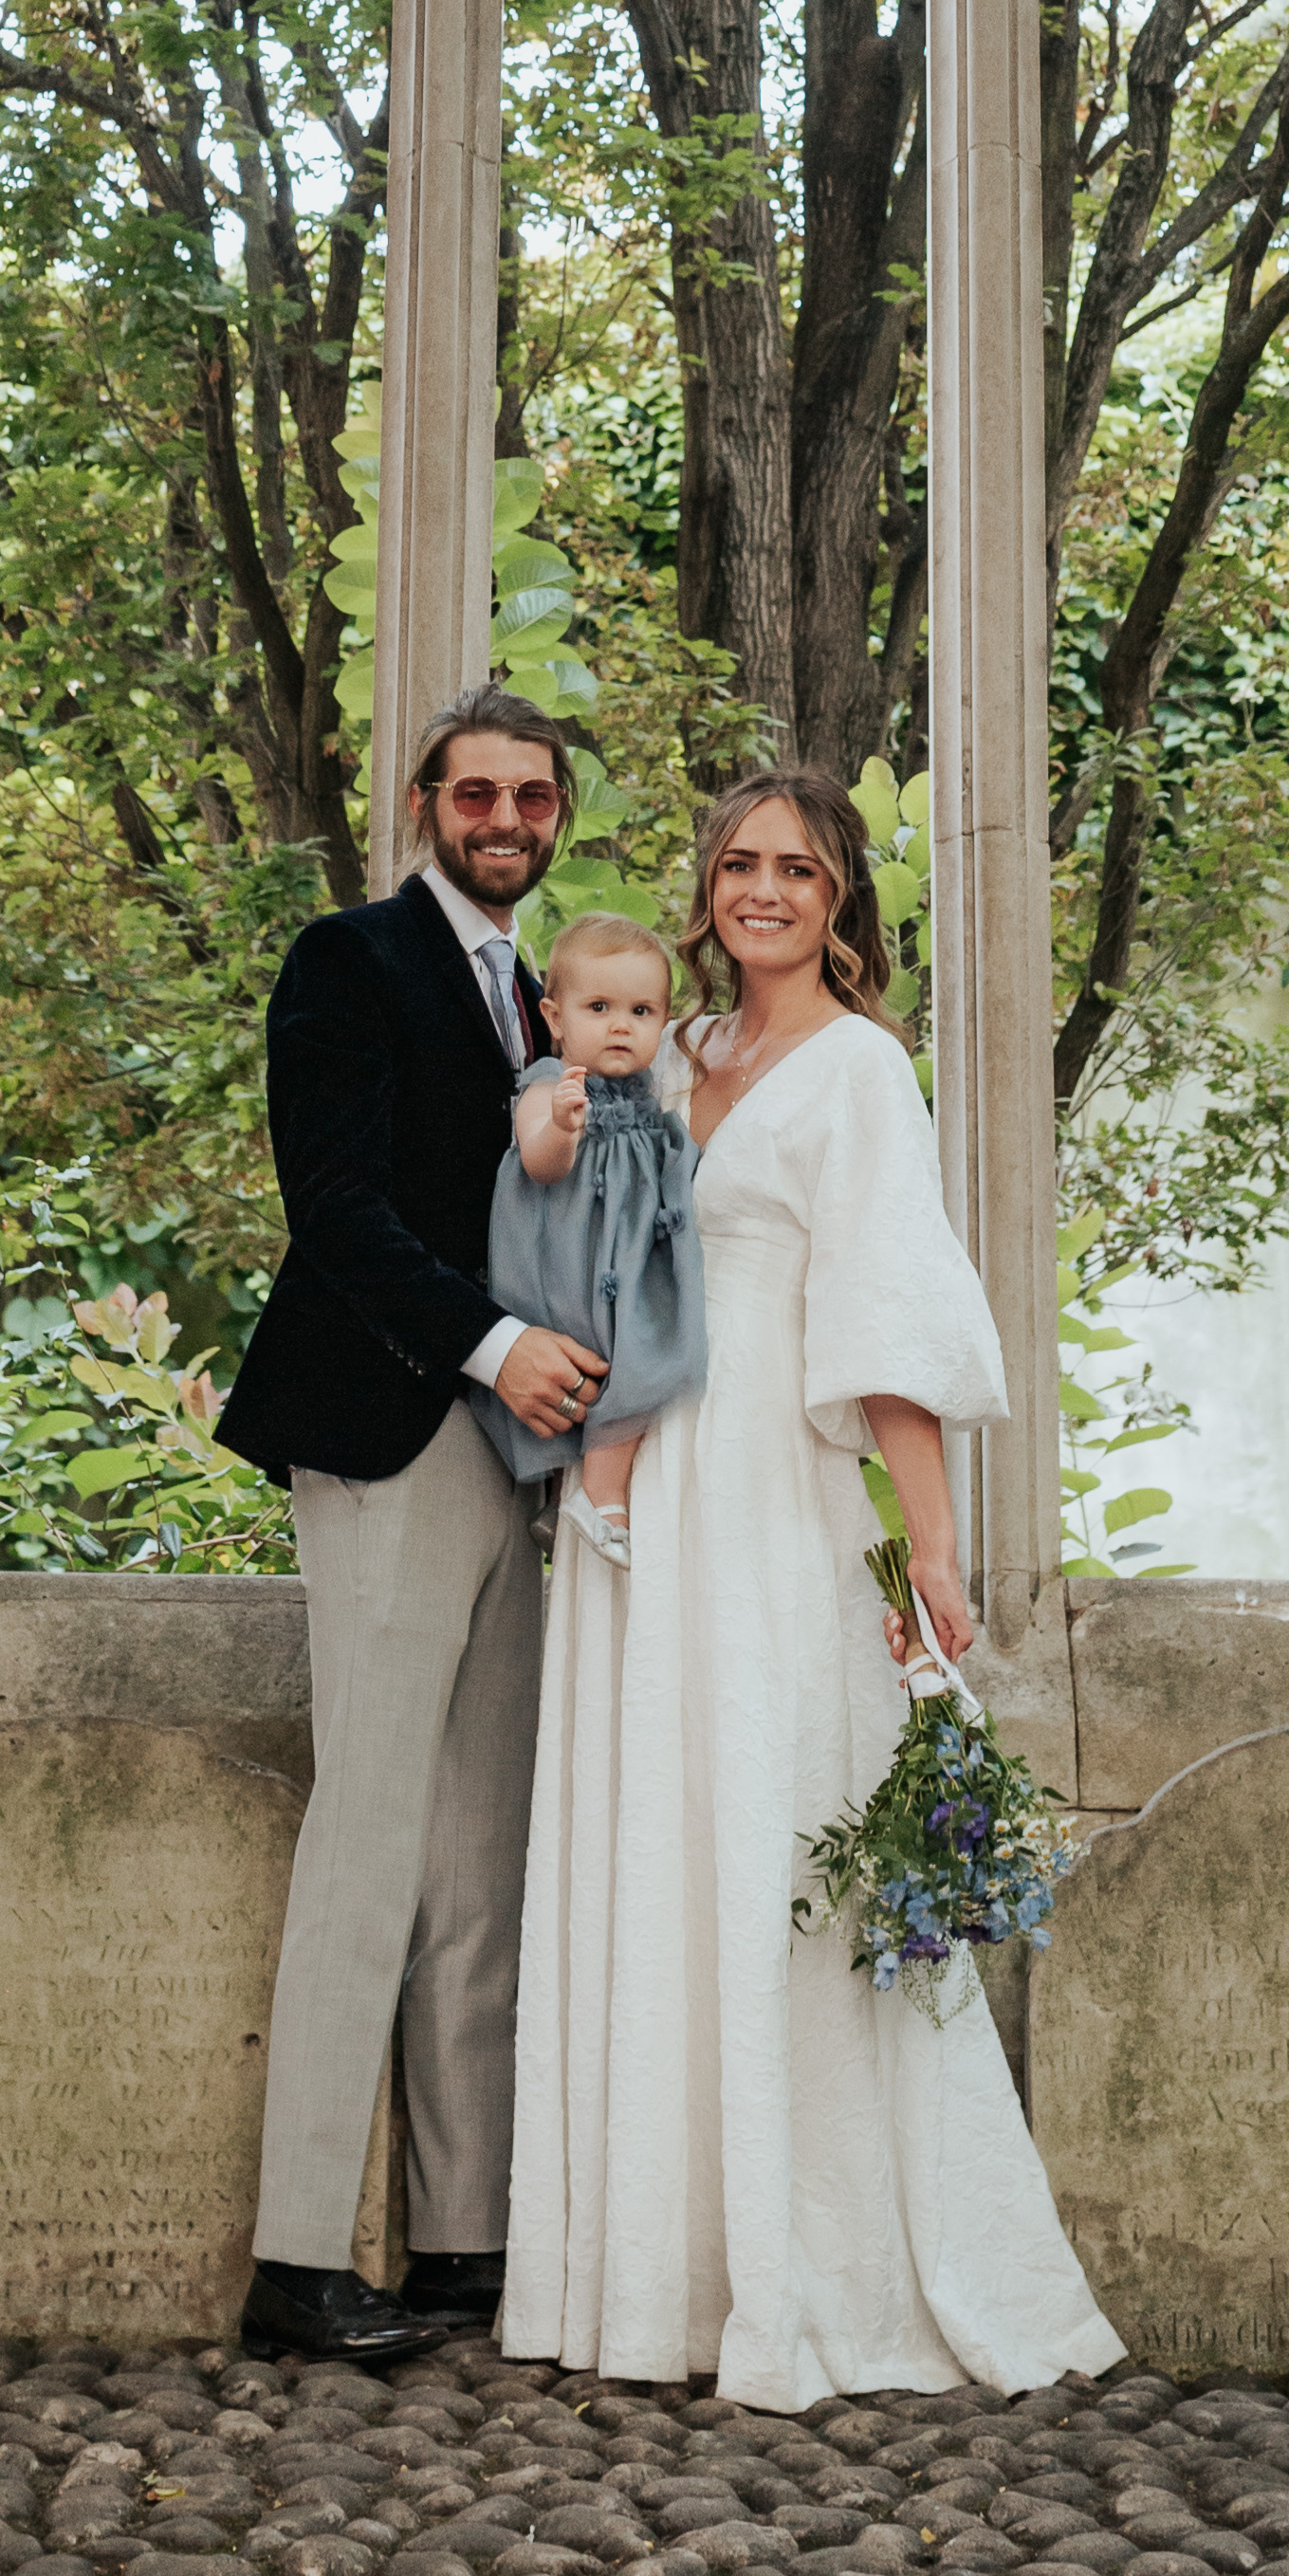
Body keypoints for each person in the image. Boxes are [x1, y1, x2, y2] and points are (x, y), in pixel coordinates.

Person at [503, 764, 1122, 2409]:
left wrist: (925, 1541)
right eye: (733, 862)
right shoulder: (669, 1046)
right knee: (653, 1832)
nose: (758, 887)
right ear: (701, 887)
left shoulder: (858, 1069)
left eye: (791, 865)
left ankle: (811, 2268)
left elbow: (885, 1317)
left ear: (838, 895)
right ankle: (649, 2275)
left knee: (775, 1831)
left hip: (771, 1488)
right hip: (637, 1476)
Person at [217, 683, 613, 2368]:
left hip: (514, 1459)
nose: (503, 815)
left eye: (530, 794)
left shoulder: (547, 992)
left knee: (477, 1854)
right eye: (475, 791)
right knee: (369, 1833)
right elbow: (340, 1207)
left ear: (554, 816)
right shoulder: (347, 961)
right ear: (422, 800)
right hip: (388, 1426)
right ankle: (297, 2255)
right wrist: (497, 1344)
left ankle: (462, 2236)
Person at [468, 914, 707, 1565]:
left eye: (641, 1009)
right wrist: (563, 1128)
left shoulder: (654, 1094)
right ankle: (597, 1495)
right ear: (555, 1015)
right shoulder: (549, 1082)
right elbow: (540, 1161)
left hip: (628, 1263)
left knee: (649, 1356)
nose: (621, 1025)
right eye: (598, 1007)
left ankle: (591, 1491)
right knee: (601, 1364)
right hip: (566, 1268)